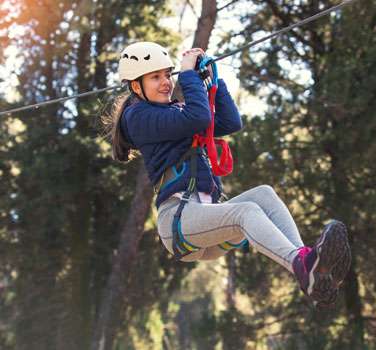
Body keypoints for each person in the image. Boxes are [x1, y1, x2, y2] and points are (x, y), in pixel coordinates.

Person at [106, 41, 351, 307]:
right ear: (135, 85)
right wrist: (188, 75)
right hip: (179, 223)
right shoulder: (138, 117)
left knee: (264, 195)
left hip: (205, 226)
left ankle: (308, 265)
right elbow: (198, 118)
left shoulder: (172, 112)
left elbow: (229, 122)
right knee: (246, 212)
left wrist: (212, 80)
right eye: (155, 77)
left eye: (168, 74)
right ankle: (303, 266)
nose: (165, 81)